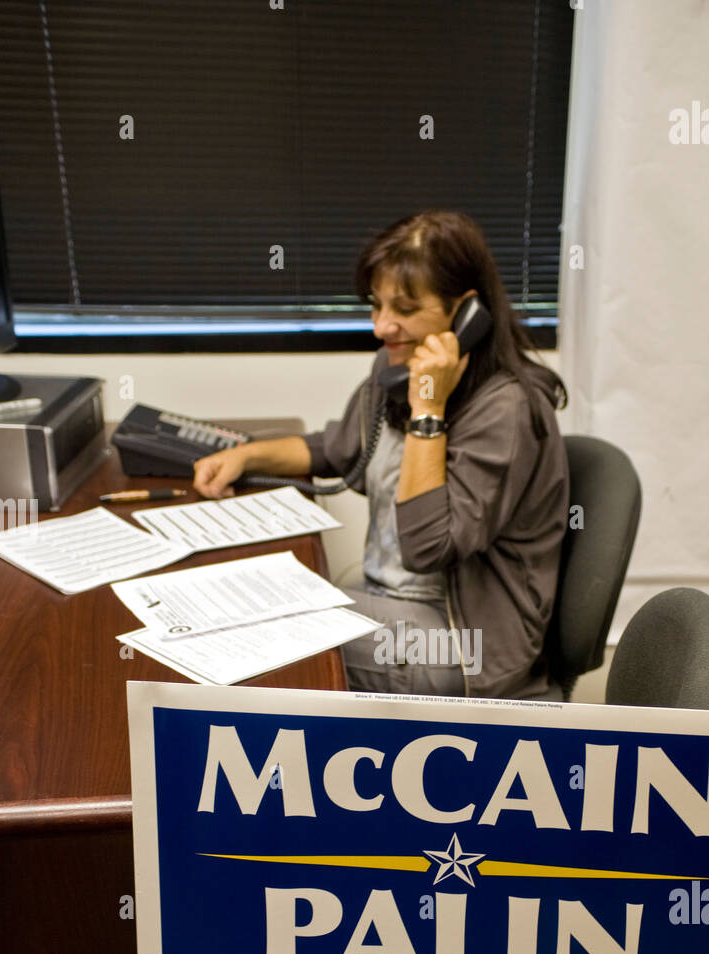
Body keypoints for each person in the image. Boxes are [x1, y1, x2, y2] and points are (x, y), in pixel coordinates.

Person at [193, 210, 569, 698]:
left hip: (462, 644)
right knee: (258, 602)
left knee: (268, 623)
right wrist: (248, 456)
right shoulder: (396, 365)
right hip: (388, 604)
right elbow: (337, 448)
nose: (382, 327)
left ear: (465, 314)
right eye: (376, 306)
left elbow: (426, 547)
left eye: (405, 310)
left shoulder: (507, 410)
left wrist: (427, 408)